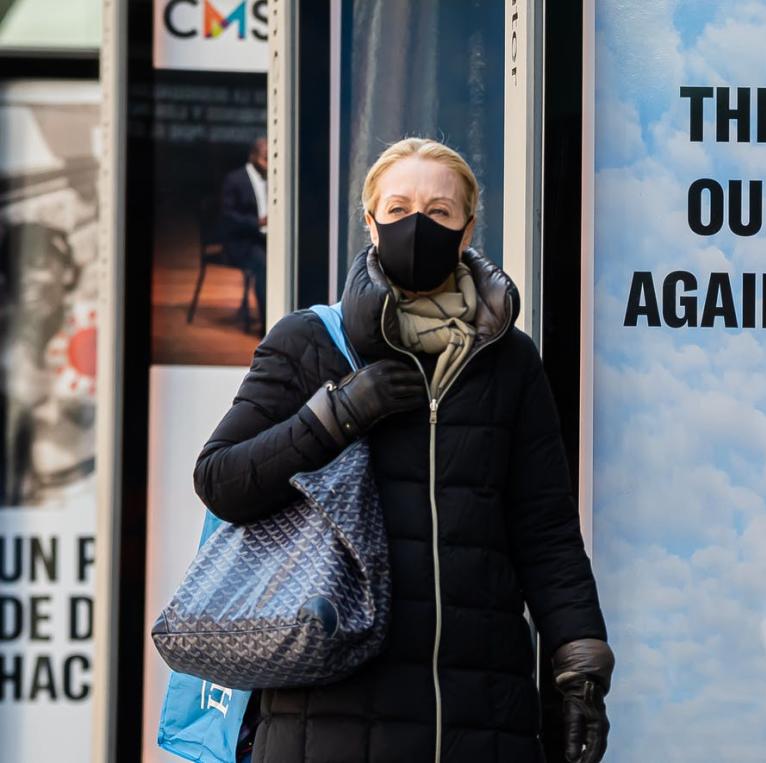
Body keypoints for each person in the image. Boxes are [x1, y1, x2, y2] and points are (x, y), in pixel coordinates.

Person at [193, 137, 613, 763]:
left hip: (481, 715)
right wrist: (336, 415)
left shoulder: (510, 360)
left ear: (469, 228)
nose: (418, 224)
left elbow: (545, 531)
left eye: (440, 212)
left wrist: (579, 667)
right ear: (370, 222)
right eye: (398, 208)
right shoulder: (309, 342)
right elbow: (221, 480)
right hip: (329, 718)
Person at [218, 136, 268, 327]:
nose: (268, 163)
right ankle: (267, 325)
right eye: (265, 157)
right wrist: (257, 222)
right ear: (253, 156)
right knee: (264, 266)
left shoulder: (274, 177)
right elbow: (227, 217)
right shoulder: (235, 180)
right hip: (241, 243)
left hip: (264, 239)